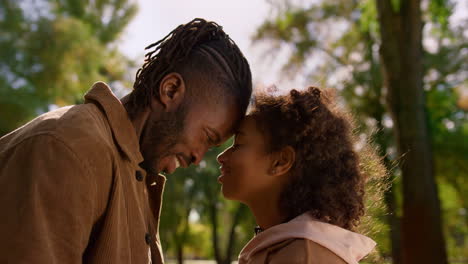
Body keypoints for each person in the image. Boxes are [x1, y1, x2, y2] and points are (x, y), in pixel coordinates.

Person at [0, 18, 252, 263]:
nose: (199, 157)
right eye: (207, 138)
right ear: (171, 90)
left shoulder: (136, 173)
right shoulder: (67, 150)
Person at [217, 87, 382, 263]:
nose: (221, 157)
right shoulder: (290, 248)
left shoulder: (304, 256)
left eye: (238, 144)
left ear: (280, 162)